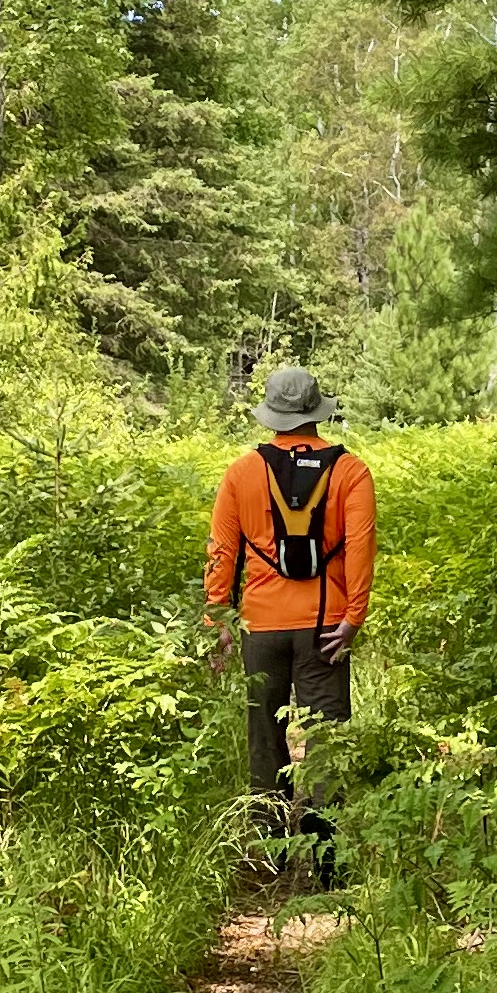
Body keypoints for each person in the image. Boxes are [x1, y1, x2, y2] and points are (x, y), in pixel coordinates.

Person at [204, 362, 376, 877]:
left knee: (265, 739)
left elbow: (221, 552)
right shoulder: (350, 471)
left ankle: (272, 861)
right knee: (327, 740)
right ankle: (328, 866)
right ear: (315, 412)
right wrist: (353, 617)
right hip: (326, 626)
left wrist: (219, 621)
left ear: (273, 415)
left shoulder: (242, 472)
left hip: (260, 626)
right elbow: (361, 546)